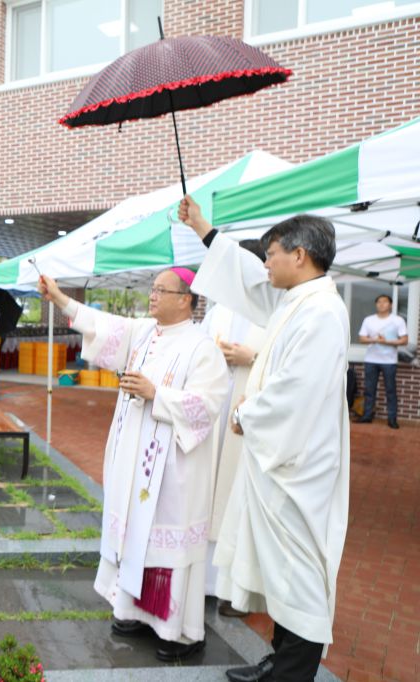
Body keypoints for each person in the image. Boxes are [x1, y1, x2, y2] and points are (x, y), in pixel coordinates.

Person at [179, 195, 350, 682]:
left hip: (299, 466)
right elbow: (248, 279)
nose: (266, 263)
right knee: (282, 571)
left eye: (272, 254)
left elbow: (296, 389)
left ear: (300, 254)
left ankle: (292, 673)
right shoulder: (298, 300)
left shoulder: (320, 312)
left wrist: (245, 414)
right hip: (282, 461)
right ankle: (281, 660)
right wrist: (203, 229)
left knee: (298, 571)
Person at [39, 268, 228, 662]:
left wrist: (156, 393)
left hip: (172, 467)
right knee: (134, 536)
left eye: (162, 290)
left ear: (186, 300)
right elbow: (100, 323)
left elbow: (208, 405)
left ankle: (178, 632)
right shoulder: (144, 333)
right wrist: (59, 298)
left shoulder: (201, 348)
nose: (152, 295)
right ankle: (133, 612)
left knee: (163, 544)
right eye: (152, 288)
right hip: (134, 458)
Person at [200, 239, 267, 617]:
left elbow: (288, 363)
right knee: (209, 493)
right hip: (216, 412)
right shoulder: (219, 310)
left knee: (239, 499)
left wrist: (251, 357)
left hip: (248, 418)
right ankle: (206, 583)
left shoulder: (273, 311)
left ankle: (237, 592)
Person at [358, 294, 407, 428]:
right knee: (369, 390)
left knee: (390, 390)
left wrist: (387, 342)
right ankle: (367, 416)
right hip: (371, 360)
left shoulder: (397, 320)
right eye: (379, 302)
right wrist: (375, 340)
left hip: (389, 361)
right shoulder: (369, 320)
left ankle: (392, 419)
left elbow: (404, 340)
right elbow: (362, 338)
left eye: (385, 302)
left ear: (390, 305)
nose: (381, 304)